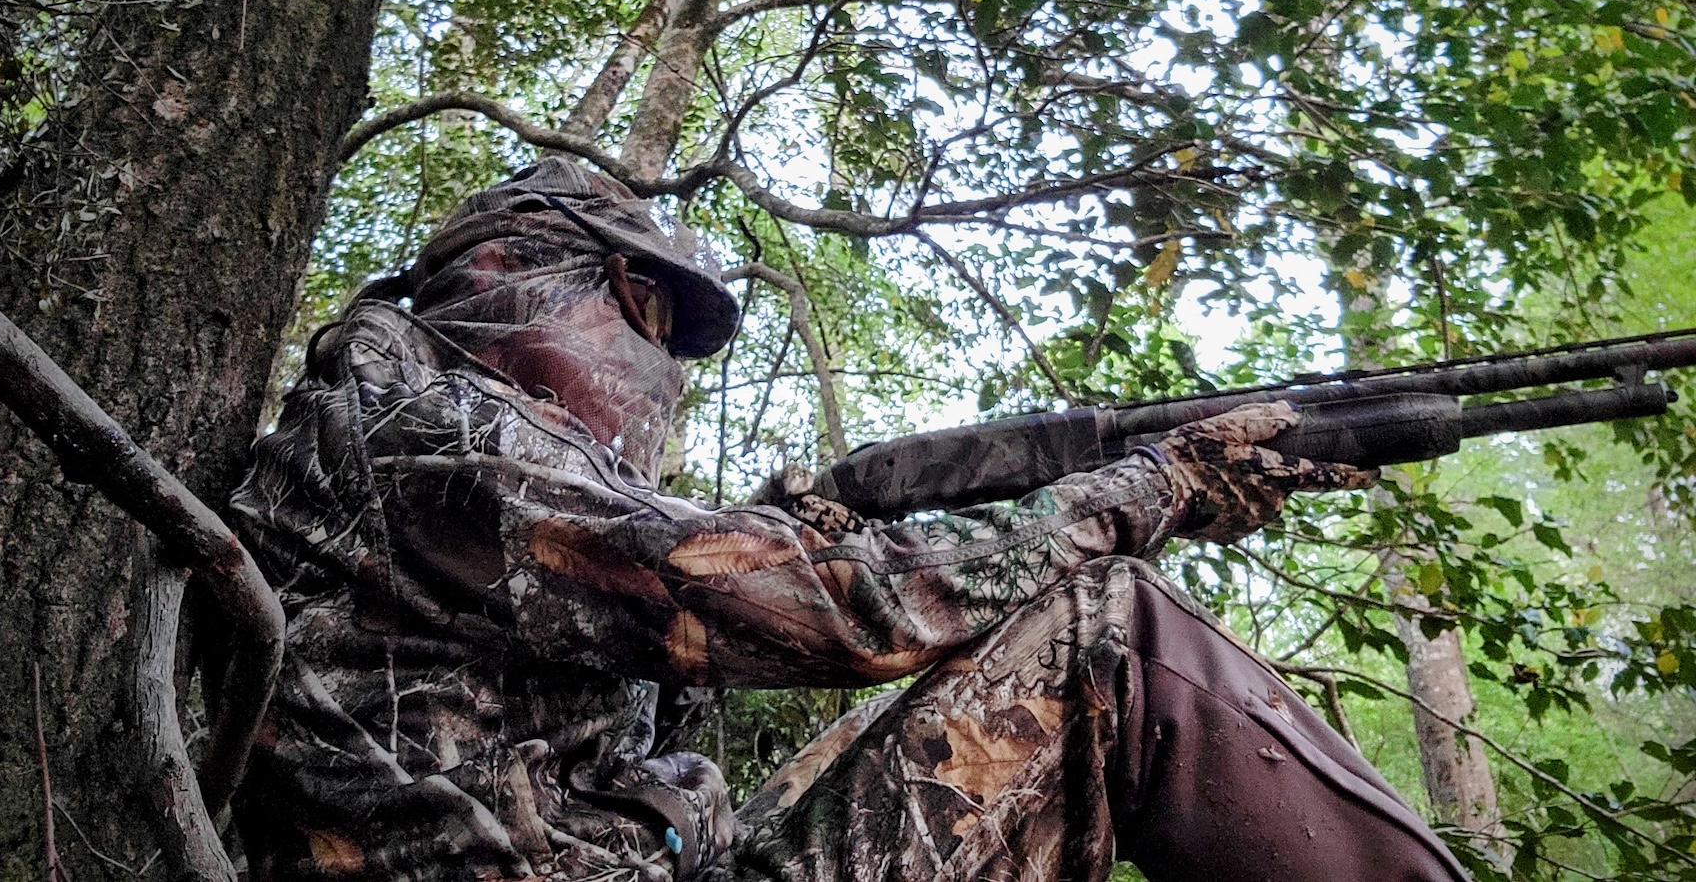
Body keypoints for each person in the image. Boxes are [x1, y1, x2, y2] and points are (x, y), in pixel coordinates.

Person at [228, 158, 1472, 882]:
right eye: (641, 308)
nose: (662, 367)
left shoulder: (406, 455)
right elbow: (826, 611)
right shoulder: (429, 429)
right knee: (1108, 631)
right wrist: (1142, 491)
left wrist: (816, 518)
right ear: (498, 278)